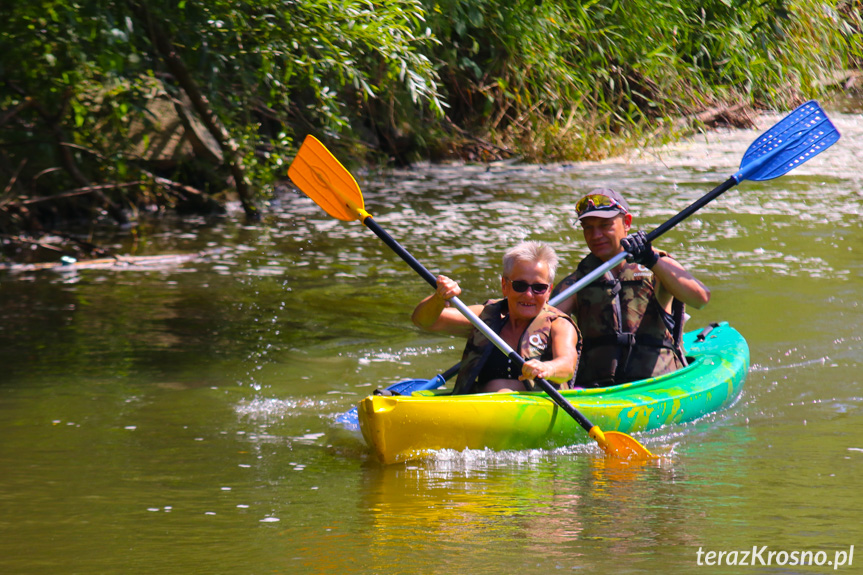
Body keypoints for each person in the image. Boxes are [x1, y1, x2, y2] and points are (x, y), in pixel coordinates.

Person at [551, 188, 711, 388]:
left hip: (657, 383)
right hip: (597, 389)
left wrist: (651, 259)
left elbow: (700, 298)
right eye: (588, 228)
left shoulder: (656, 266)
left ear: (627, 223)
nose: (596, 235)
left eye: (605, 225)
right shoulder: (577, 281)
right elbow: (540, 322)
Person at [411, 241, 581, 394]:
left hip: (540, 408)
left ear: (549, 291)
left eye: (539, 288)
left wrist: (547, 368)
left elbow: (567, 365)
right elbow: (424, 321)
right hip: (483, 406)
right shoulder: (485, 317)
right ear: (505, 286)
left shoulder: (559, 324)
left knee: (500, 390)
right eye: (520, 286)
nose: (529, 295)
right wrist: (439, 298)